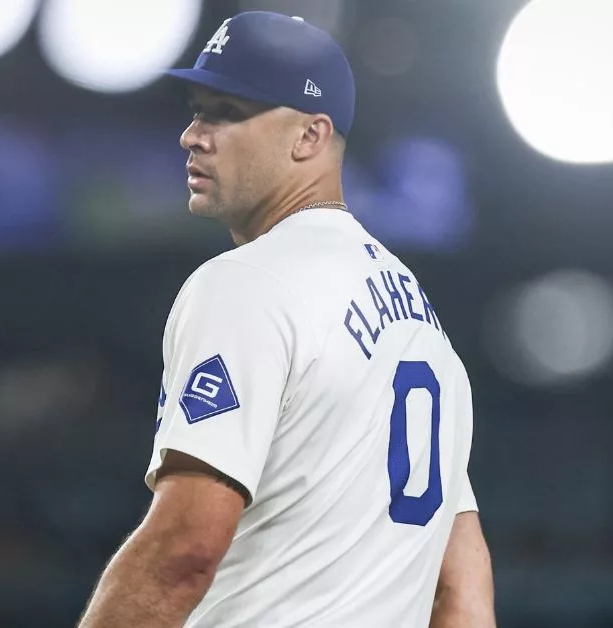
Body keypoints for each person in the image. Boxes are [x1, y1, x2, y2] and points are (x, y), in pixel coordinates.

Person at [79, 11, 495, 627]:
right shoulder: (425, 330)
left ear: (308, 137)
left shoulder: (247, 283)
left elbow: (183, 552)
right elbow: (462, 592)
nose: (193, 134)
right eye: (196, 109)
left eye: (227, 112)